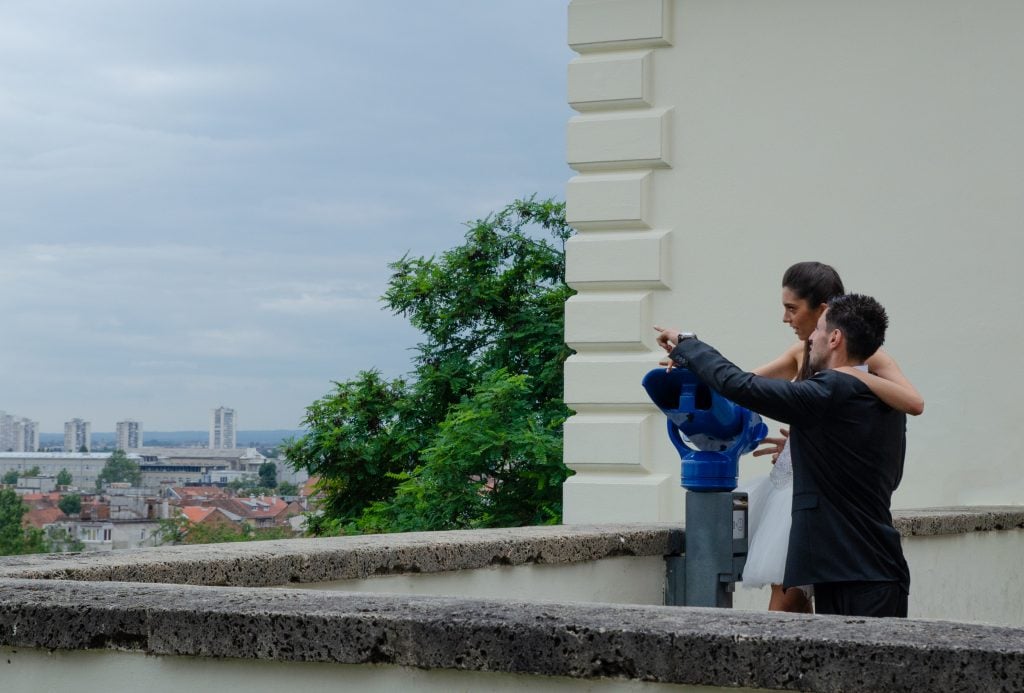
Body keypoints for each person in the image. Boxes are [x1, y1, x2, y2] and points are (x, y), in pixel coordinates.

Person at [656, 294, 911, 617]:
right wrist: (805, 445)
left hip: (852, 577)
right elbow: (886, 475)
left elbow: (741, 385)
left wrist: (688, 345)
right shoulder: (884, 399)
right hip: (873, 572)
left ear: (835, 338)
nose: (811, 339)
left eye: (817, 330)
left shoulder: (828, 389)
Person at [740, 262, 922, 613]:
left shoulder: (873, 359)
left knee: (787, 603)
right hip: (795, 484)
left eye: (792, 308)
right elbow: (748, 384)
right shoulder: (799, 354)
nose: (785, 318)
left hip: (824, 495)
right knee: (787, 598)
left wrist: (853, 375)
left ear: (824, 312)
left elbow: (913, 401)